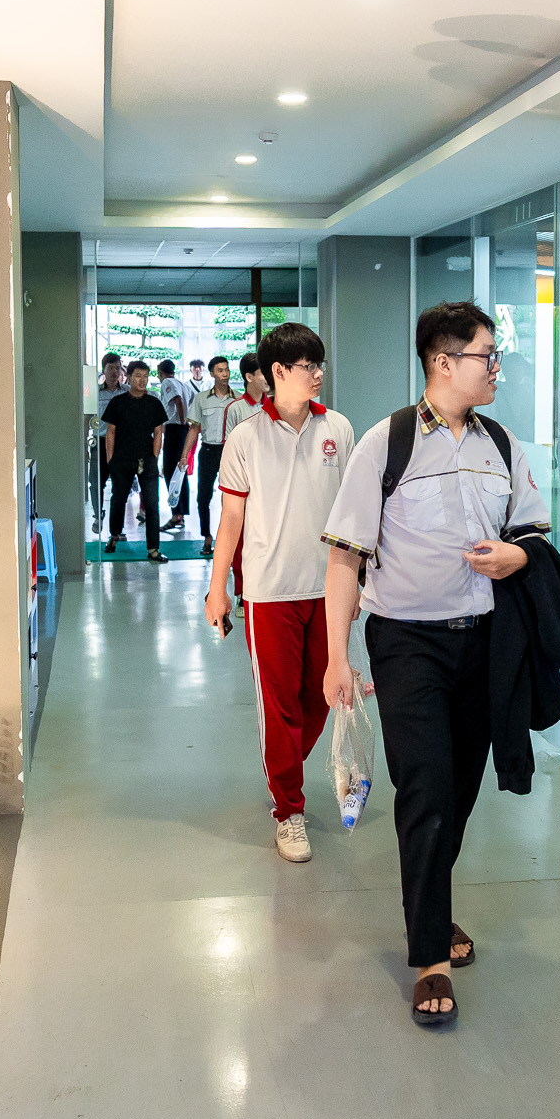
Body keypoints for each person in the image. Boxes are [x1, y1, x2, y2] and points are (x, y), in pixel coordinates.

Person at [319, 301, 551, 1028]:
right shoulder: (384, 445)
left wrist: (515, 556)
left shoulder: (503, 445)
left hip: (485, 643)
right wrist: (337, 657)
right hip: (406, 642)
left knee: (459, 790)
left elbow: (532, 537)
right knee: (424, 786)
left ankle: (432, 905)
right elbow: (344, 558)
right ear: (443, 362)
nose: (497, 369)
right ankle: (430, 957)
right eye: (487, 356)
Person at [204, 324, 354, 865]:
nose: (318, 374)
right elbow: (231, 520)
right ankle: (288, 808)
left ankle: (286, 767)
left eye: (319, 364)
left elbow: (353, 514)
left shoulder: (338, 427)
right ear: (278, 372)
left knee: (320, 696)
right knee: (278, 704)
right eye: (308, 366)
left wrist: (360, 581)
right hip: (268, 593)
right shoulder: (245, 437)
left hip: (329, 589)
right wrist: (218, 589)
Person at [102, 361, 171, 562]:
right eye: (138, 376)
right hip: (121, 459)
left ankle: (153, 549)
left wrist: (155, 457)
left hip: (146, 460)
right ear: (129, 377)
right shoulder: (118, 402)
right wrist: (110, 459)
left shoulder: (153, 403)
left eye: (145, 376)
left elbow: (158, 432)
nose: (142, 380)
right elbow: (110, 431)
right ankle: (114, 536)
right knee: (118, 500)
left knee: (152, 504)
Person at [187, 355, 242, 557]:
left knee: (230, 498)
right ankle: (207, 537)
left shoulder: (238, 399)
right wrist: (184, 455)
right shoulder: (201, 398)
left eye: (227, 370)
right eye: (220, 370)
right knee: (203, 497)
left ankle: (229, 540)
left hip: (231, 453)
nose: (225, 374)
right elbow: (194, 428)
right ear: (212, 373)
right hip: (208, 451)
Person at [156, 361, 194, 532]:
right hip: (182, 430)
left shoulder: (167, 382)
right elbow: (190, 400)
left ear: (160, 372)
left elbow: (177, 400)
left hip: (175, 429)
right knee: (180, 472)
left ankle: (176, 515)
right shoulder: (183, 384)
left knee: (171, 472)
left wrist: (181, 420)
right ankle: (180, 515)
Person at [91, 353, 128, 534]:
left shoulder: (128, 392)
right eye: (110, 368)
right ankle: (98, 515)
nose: (114, 372)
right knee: (96, 482)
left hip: (122, 444)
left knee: (120, 486)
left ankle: (117, 528)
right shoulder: (95, 393)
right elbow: (87, 418)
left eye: (117, 368)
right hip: (100, 442)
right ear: (103, 370)